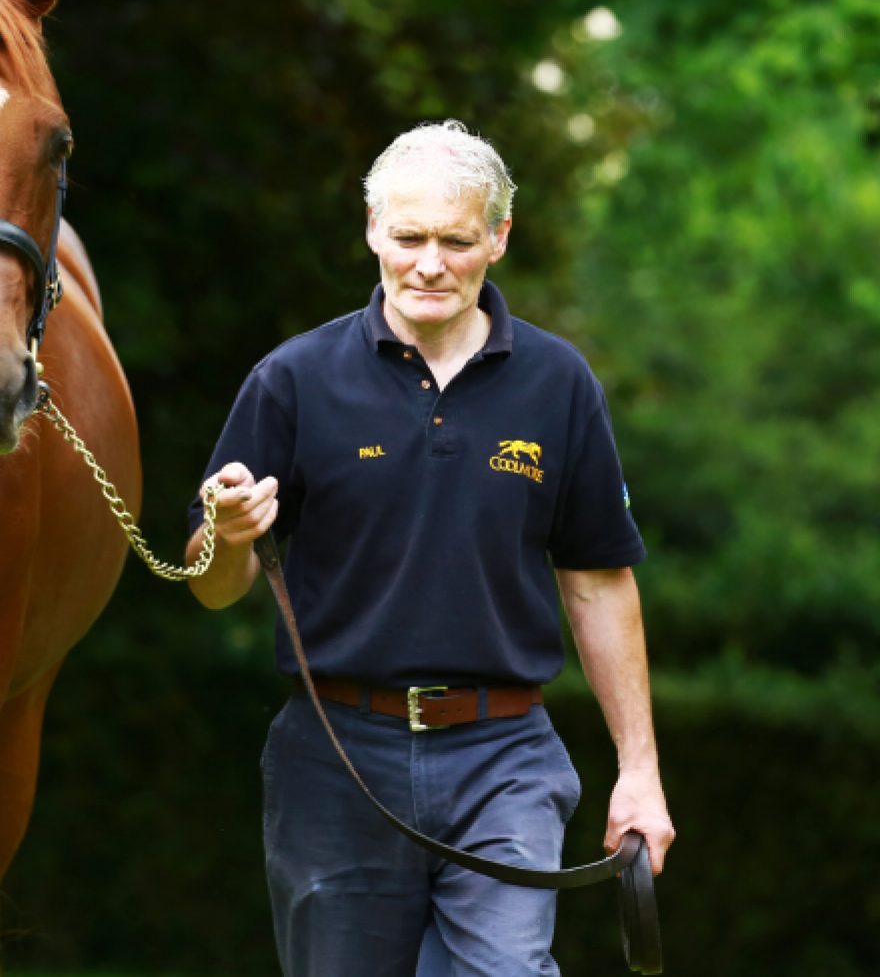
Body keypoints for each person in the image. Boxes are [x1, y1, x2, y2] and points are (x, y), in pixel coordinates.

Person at [184, 121, 674, 977]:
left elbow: (598, 582)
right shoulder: (293, 378)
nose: (429, 263)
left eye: (456, 239)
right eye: (408, 238)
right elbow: (215, 586)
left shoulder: (559, 384)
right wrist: (227, 537)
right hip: (336, 756)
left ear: (498, 237)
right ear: (373, 227)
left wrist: (640, 771)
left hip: (504, 756)